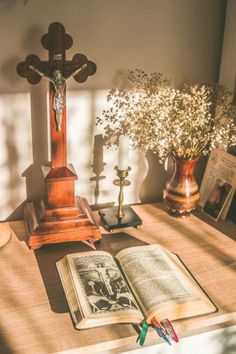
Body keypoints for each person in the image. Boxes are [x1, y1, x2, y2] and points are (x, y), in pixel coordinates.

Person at [29, 63, 87, 131]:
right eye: (55, 74)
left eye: (58, 74)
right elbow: (43, 75)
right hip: (56, 97)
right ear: (54, 76)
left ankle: (60, 125)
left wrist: (81, 68)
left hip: (61, 97)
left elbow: (72, 74)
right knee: (57, 112)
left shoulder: (64, 80)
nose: (57, 75)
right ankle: (58, 125)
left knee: (61, 112)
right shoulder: (54, 81)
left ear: (60, 74)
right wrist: (34, 69)